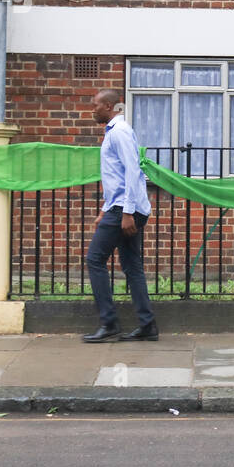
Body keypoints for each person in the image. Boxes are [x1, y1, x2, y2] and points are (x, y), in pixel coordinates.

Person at [82, 89, 157, 343]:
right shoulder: (114, 132)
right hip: (121, 208)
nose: (93, 110)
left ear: (108, 106)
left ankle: (109, 323)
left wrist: (126, 213)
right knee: (132, 266)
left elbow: (132, 172)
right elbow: (116, 177)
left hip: (126, 210)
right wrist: (105, 209)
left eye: (95, 105)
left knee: (94, 259)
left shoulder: (119, 132)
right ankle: (147, 326)